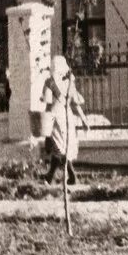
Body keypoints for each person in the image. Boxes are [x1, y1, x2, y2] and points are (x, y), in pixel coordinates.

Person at [40, 55, 87, 185]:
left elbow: (48, 105)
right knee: (60, 148)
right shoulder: (68, 83)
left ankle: (72, 176)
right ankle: (51, 176)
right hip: (67, 118)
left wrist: (46, 124)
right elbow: (75, 103)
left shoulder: (49, 83)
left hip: (55, 118)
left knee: (60, 149)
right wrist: (83, 120)